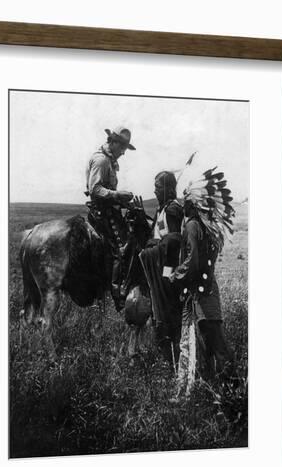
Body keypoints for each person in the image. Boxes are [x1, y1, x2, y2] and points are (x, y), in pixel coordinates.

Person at [170, 169, 234, 395]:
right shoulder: (205, 227)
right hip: (207, 291)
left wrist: (175, 274)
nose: (183, 204)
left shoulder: (192, 226)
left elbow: (193, 262)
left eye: (186, 200)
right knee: (209, 340)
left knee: (213, 341)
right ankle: (217, 389)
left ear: (194, 204)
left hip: (200, 294)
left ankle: (230, 389)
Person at [85, 126, 136, 310]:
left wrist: (122, 201)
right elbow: (95, 189)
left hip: (108, 209)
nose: (123, 152)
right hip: (102, 213)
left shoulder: (108, 160)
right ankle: (117, 293)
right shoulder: (101, 160)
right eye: (121, 147)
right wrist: (117, 195)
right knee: (121, 248)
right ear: (112, 142)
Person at [139, 171, 184, 364]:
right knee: (162, 315)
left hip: (169, 269)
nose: (155, 190)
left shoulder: (173, 210)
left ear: (168, 188)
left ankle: (173, 359)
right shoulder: (163, 208)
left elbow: (173, 242)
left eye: (158, 187)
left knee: (168, 315)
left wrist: (151, 250)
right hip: (161, 267)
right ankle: (168, 359)